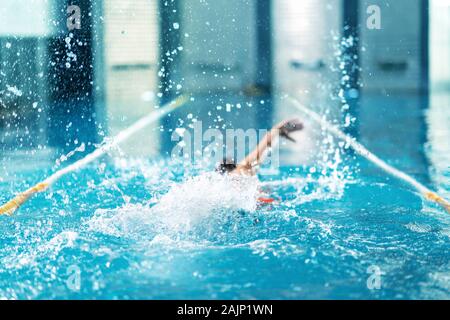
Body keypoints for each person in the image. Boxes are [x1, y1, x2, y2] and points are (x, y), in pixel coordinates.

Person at [216, 118, 303, 176]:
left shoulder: (221, 184)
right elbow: (262, 147)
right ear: (235, 165)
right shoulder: (242, 168)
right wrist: (277, 129)